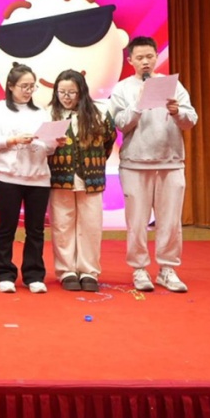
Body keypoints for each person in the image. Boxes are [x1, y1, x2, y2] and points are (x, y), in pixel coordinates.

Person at [109, 36, 197, 293]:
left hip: (171, 162)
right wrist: (138, 105)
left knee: (170, 221)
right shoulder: (123, 88)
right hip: (135, 164)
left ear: (156, 57)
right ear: (130, 60)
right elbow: (120, 123)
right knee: (137, 222)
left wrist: (177, 112)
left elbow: (191, 120)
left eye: (149, 56)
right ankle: (139, 269)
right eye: (140, 58)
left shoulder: (172, 85)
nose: (145, 61)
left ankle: (167, 269)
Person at [0, 63, 65, 294]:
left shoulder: (41, 112)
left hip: (39, 178)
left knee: (35, 230)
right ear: (10, 86)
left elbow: (48, 148)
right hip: (8, 178)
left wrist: (55, 142)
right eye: (24, 86)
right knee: (6, 228)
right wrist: (13, 140)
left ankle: (34, 275)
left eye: (32, 86)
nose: (28, 91)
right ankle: (4, 274)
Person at [47, 70, 116, 292]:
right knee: (62, 224)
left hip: (91, 177)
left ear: (82, 92)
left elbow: (109, 141)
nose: (66, 97)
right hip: (60, 176)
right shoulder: (49, 114)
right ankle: (66, 270)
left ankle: (88, 271)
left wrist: (94, 163)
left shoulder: (99, 112)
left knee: (91, 225)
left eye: (72, 92)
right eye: (62, 92)